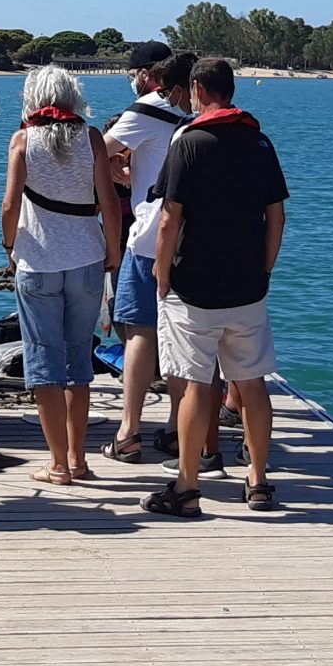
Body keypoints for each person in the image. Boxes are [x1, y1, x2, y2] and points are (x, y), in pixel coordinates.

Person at [143, 57, 289, 517]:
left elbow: (170, 217)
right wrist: (263, 271)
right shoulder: (260, 143)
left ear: (198, 91)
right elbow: (276, 216)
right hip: (247, 285)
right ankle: (259, 480)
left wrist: (162, 274)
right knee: (252, 382)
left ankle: (187, 487)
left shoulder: (189, 142)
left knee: (192, 386)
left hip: (193, 286)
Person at [0, 64, 126, 484]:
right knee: (78, 362)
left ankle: (56, 465)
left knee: (44, 365)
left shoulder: (22, 140)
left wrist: (9, 247)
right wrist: (112, 253)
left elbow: (9, 207)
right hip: (87, 260)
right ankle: (78, 459)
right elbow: (108, 203)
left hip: (38, 264)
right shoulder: (91, 138)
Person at [99, 44, 194, 461]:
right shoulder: (200, 117)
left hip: (148, 237)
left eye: (134, 71)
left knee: (139, 332)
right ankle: (178, 427)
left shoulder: (146, 110)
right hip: (193, 240)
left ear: (153, 75)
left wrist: (119, 172)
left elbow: (94, 151)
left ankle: (129, 430)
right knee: (180, 335)